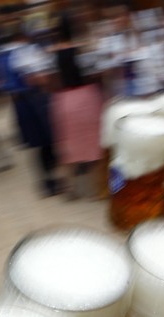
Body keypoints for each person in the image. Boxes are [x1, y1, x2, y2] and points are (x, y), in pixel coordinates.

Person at [48, 9, 105, 200]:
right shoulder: (84, 48)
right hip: (86, 97)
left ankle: (69, 189)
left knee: (67, 146)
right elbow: (94, 74)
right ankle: (95, 190)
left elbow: (51, 80)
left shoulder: (52, 52)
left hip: (62, 99)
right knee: (93, 144)